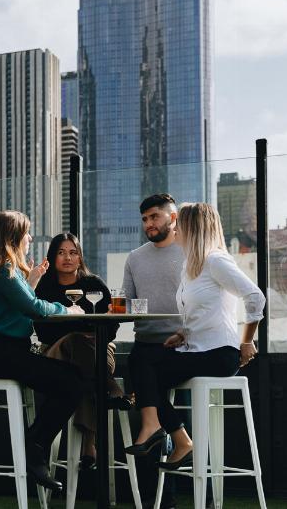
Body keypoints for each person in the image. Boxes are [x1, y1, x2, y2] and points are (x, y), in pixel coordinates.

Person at [125, 202, 265, 474]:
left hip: (219, 354)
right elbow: (203, 310)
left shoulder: (216, 260)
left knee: (146, 367)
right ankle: (178, 439)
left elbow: (255, 296)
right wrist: (183, 333)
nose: (175, 230)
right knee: (143, 368)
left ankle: (163, 431)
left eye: (181, 225)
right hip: (196, 349)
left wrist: (247, 341)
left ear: (194, 228)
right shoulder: (192, 265)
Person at [0, 211, 86, 491]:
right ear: (13, 237)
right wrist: (67, 309)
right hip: (1, 352)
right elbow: (34, 308)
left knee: (68, 379)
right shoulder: (5, 268)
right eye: (27, 232)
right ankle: (35, 446)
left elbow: (15, 309)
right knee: (72, 382)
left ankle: (35, 444)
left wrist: (30, 282)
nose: (30, 238)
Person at [33, 232, 123, 469]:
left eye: (73, 252)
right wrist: (76, 333)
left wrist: (89, 335)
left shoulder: (94, 285)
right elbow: (42, 332)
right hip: (56, 354)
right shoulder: (43, 287)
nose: (68, 258)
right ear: (52, 257)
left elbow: (112, 325)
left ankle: (86, 444)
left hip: (98, 352)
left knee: (81, 372)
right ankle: (110, 392)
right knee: (74, 344)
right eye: (61, 253)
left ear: (80, 256)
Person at [122, 193, 186, 508]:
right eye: (145, 219)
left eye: (155, 217)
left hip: (183, 346)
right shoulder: (135, 258)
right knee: (142, 368)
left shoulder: (191, 251)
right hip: (145, 343)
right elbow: (127, 304)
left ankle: (164, 498)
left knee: (147, 385)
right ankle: (154, 497)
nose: (149, 223)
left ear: (172, 218)